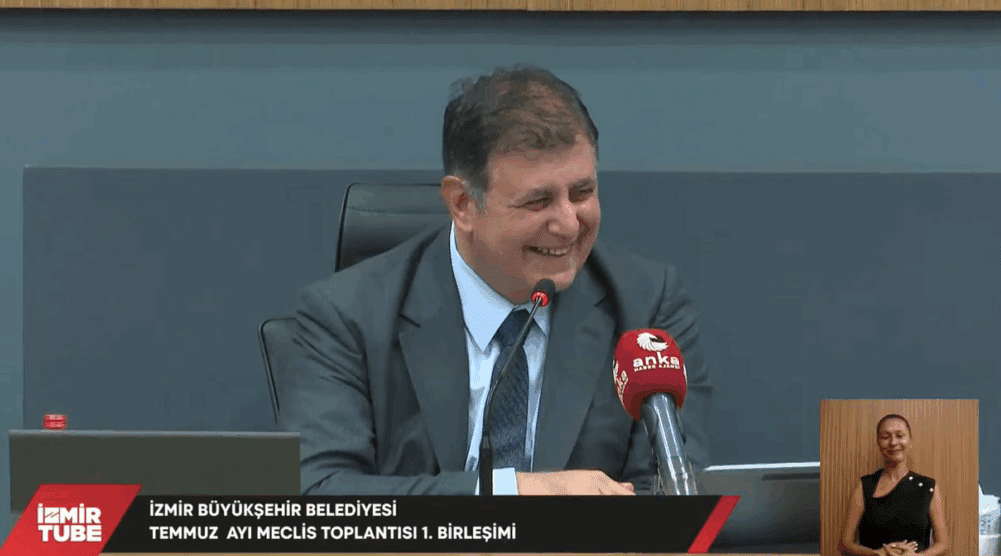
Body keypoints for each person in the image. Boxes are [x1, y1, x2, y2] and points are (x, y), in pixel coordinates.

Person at [282, 64, 712, 495]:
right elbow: (319, 495)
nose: (569, 224)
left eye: (582, 193)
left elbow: (672, 496)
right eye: (538, 201)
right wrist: (515, 494)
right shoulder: (347, 317)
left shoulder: (645, 306)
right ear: (463, 203)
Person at [839, 414, 948, 556]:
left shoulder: (928, 486)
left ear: (910, 441)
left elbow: (942, 543)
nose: (893, 442)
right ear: (878, 443)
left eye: (900, 435)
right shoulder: (864, 486)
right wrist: (876, 554)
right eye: (886, 437)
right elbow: (845, 544)